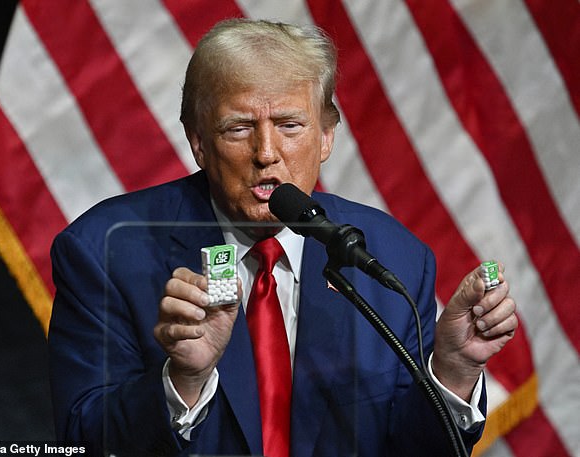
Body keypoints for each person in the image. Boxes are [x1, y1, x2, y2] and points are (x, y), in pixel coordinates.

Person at [48, 18, 517, 456]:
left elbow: (408, 447)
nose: (266, 153)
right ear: (198, 143)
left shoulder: (391, 256)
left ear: (327, 137)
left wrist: (453, 372)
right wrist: (183, 381)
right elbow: (83, 438)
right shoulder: (106, 249)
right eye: (239, 128)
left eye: (289, 125)